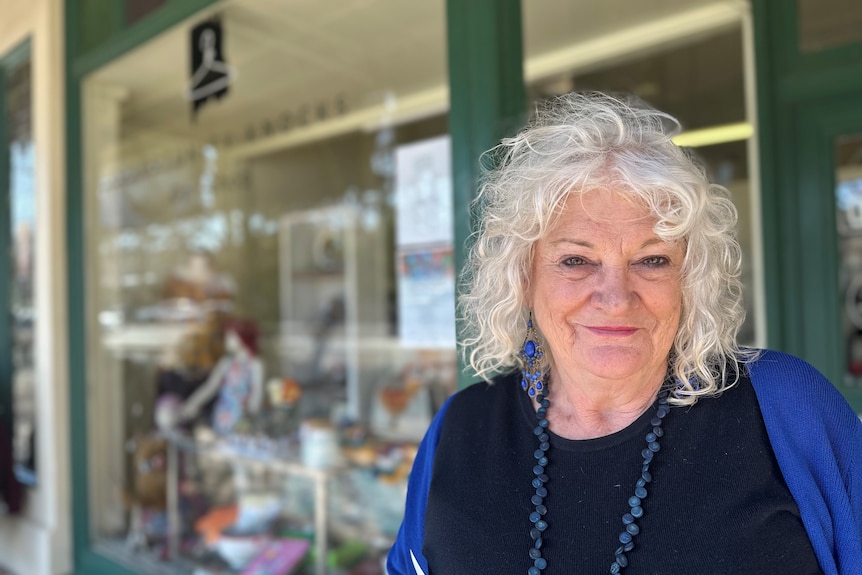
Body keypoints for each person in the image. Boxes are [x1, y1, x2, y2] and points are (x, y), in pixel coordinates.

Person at [387, 92, 862, 575]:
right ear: (523, 278)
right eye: (576, 260)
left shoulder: (786, 406)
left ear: (689, 278)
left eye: (652, 260)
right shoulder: (460, 428)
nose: (615, 297)